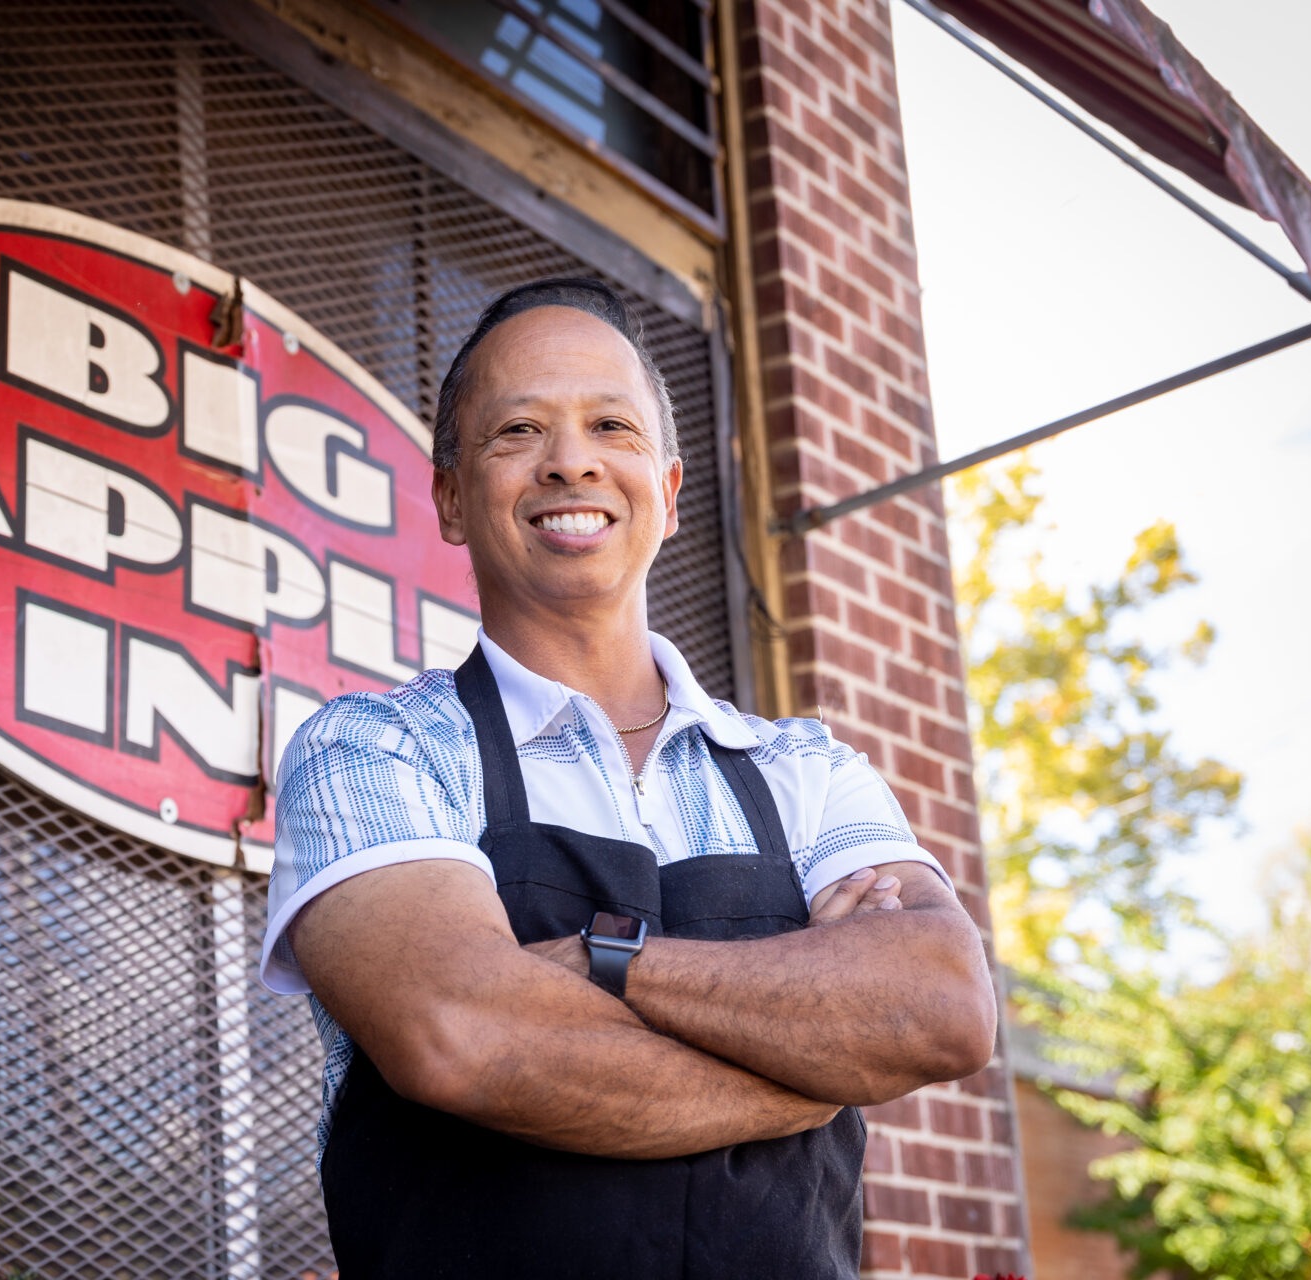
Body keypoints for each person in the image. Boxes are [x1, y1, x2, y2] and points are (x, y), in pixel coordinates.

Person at [259, 278, 998, 1279]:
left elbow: (945, 1004)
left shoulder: (805, 768)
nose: (571, 460)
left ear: (670, 489)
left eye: (610, 423)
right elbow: (461, 1033)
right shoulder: (373, 749)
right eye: (518, 430)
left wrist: (610, 960)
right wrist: (809, 1070)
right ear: (447, 496)